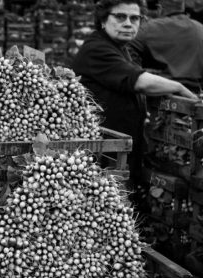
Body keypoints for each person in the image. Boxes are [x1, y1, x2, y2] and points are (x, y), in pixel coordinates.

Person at [71, 0, 197, 187]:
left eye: (134, 18)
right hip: (103, 153)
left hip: (119, 148)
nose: (128, 23)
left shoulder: (119, 48)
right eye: (120, 17)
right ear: (103, 21)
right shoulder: (96, 49)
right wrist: (180, 88)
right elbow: (139, 81)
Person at [129, 0, 203, 92]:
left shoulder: (150, 27)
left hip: (159, 90)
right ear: (182, 7)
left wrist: (142, 71)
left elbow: (127, 49)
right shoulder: (200, 28)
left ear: (160, 8)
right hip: (195, 93)